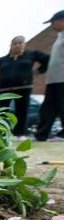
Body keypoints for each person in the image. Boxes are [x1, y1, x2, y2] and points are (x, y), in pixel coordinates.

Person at [0, 36, 49, 138]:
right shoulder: (3, 60)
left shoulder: (31, 55)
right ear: (11, 46)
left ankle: (19, 134)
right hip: (3, 89)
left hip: (23, 88)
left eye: (20, 43)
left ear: (24, 44)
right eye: (15, 43)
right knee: (1, 111)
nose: (17, 45)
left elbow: (47, 60)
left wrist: (38, 71)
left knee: (22, 111)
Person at [36, 10, 64, 141]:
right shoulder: (60, 36)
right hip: (53, 80)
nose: (51, 25)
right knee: (47, 108)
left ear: (61, 20)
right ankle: (42, 134)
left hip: (63, 79)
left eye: (52, 22)